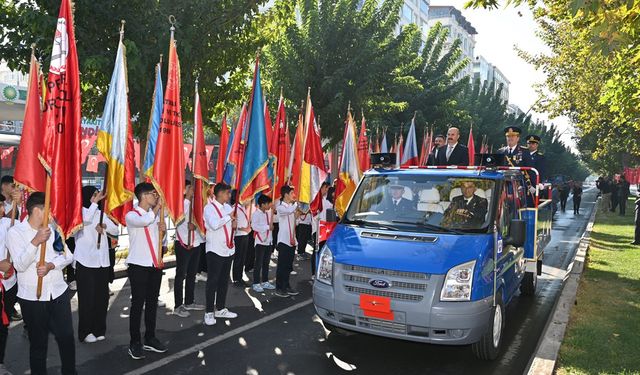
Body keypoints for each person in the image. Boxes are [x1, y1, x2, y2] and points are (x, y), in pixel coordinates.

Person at [7, 192, 76, 375]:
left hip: (58, 292)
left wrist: (52, 265)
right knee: (39, 345)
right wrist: (36, 241)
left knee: (66, 337)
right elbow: (20, 265)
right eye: (49, 208)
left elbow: (68, 256)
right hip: (32, 297)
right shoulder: (15, 233)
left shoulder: (53, 229)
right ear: (38, 210)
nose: (52, 212)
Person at [124, 183, 168, 360]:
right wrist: (157, 209)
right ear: (142, 196)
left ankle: (150, 337)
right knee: (137, 304)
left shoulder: (154, 215)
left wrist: (163, 232)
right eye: (153, 193)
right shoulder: (132, 215)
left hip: (154, 265)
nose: (156, 196)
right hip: (138, 265)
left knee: (151, 303)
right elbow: (144, 221)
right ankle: (134, 342)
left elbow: (158, 238)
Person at [74, 186, 118, 344]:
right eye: (93, 195)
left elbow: (115, 229)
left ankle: (99, 329)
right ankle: (85, 332)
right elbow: (82, 222)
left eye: (97, 195)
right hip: (86, 262)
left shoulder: (101, 214)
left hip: (102, 262)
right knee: (87, 299)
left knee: (101, 298)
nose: (97, 198)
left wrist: (105, 227)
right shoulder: (79, 212)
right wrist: (93, 205)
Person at [203, 182, 238, 326]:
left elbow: (231, 226)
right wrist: (229, 217)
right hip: (215, 250)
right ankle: (209, 312)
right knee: (213, 282)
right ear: (220, 193)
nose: (229, 196)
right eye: (227, 193)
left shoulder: (228, 207)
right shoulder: (209, 208)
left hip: (228, 249)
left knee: (224, 281)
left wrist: (233, 223)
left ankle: (221, 308)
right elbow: (214, 224)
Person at [172, 180, 205, 318]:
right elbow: (176, 221)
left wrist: (195, 227)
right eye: (190, 187)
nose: (193, 190)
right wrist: (188, 227)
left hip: (195, 243)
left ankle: (189, 301)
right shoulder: (180, 205)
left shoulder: (196, 205)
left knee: (191, 274)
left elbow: (199, 223)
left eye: (193, 187)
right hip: (183, 243)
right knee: (181, 275)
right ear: (184, 190)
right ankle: (178, 305)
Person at [275, 185, 301, 298]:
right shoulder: (280, 207)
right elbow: (288, 211)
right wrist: (297, 204)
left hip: (291, 241)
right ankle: (279, 287)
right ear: (286, 195)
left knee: (288, 266)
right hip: (283, 241)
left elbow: (296, 222)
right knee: (282, 266)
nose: (293, 196)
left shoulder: (291, 207)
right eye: (291, 193)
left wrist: (297, 216)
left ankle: (286, 285)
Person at [0, 195, 16, 375]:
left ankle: (0, 362)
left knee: (3, 326)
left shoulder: (7, 223)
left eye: (2, 205)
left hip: (8, 285)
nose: (2, 210)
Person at [251, 194, 275, 293]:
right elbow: (254, 226)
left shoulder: (268, 213)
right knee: (258, 263)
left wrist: (273, 211)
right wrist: (266, 227)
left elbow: (272, 217)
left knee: (266, 263)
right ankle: (256, 283)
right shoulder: (256, 214)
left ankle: (265, 281)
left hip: (268, 241)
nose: (269, 205)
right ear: (262, 204)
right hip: (260, 242)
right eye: (268, 203)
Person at [231, 191, 251, 287]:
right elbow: (234, 224)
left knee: (243, 257)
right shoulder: (234, 208)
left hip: (245, 234)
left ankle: (240, 277)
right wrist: (244, 228)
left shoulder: (242, 207)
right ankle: (236, 279)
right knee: (238, 258)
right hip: (239, 235)